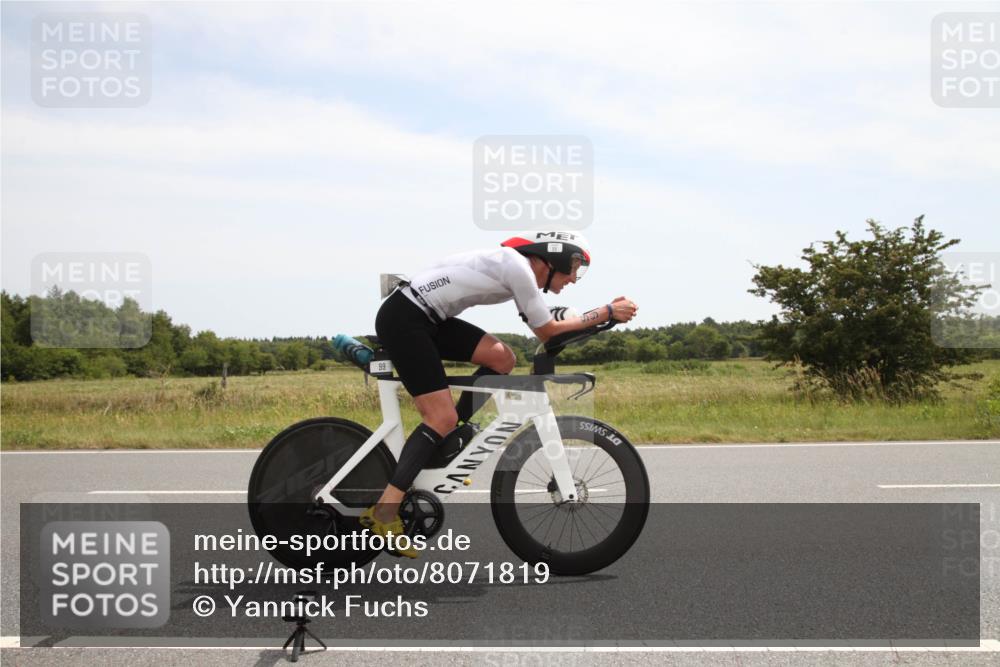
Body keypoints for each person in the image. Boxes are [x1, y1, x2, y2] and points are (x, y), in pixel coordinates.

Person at [360, 231, 638, 557]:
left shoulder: (513, 266)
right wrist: (605, 312)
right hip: (407, 319)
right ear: (556, 256)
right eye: (575, 266)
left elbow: (546, 323)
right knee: (440, 416)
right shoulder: (518, 268)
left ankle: (449, 444)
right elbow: (547, 330)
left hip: (425, 317)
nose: (574, 278)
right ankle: (383, 512)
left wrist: (589, 319)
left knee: (502, 358)